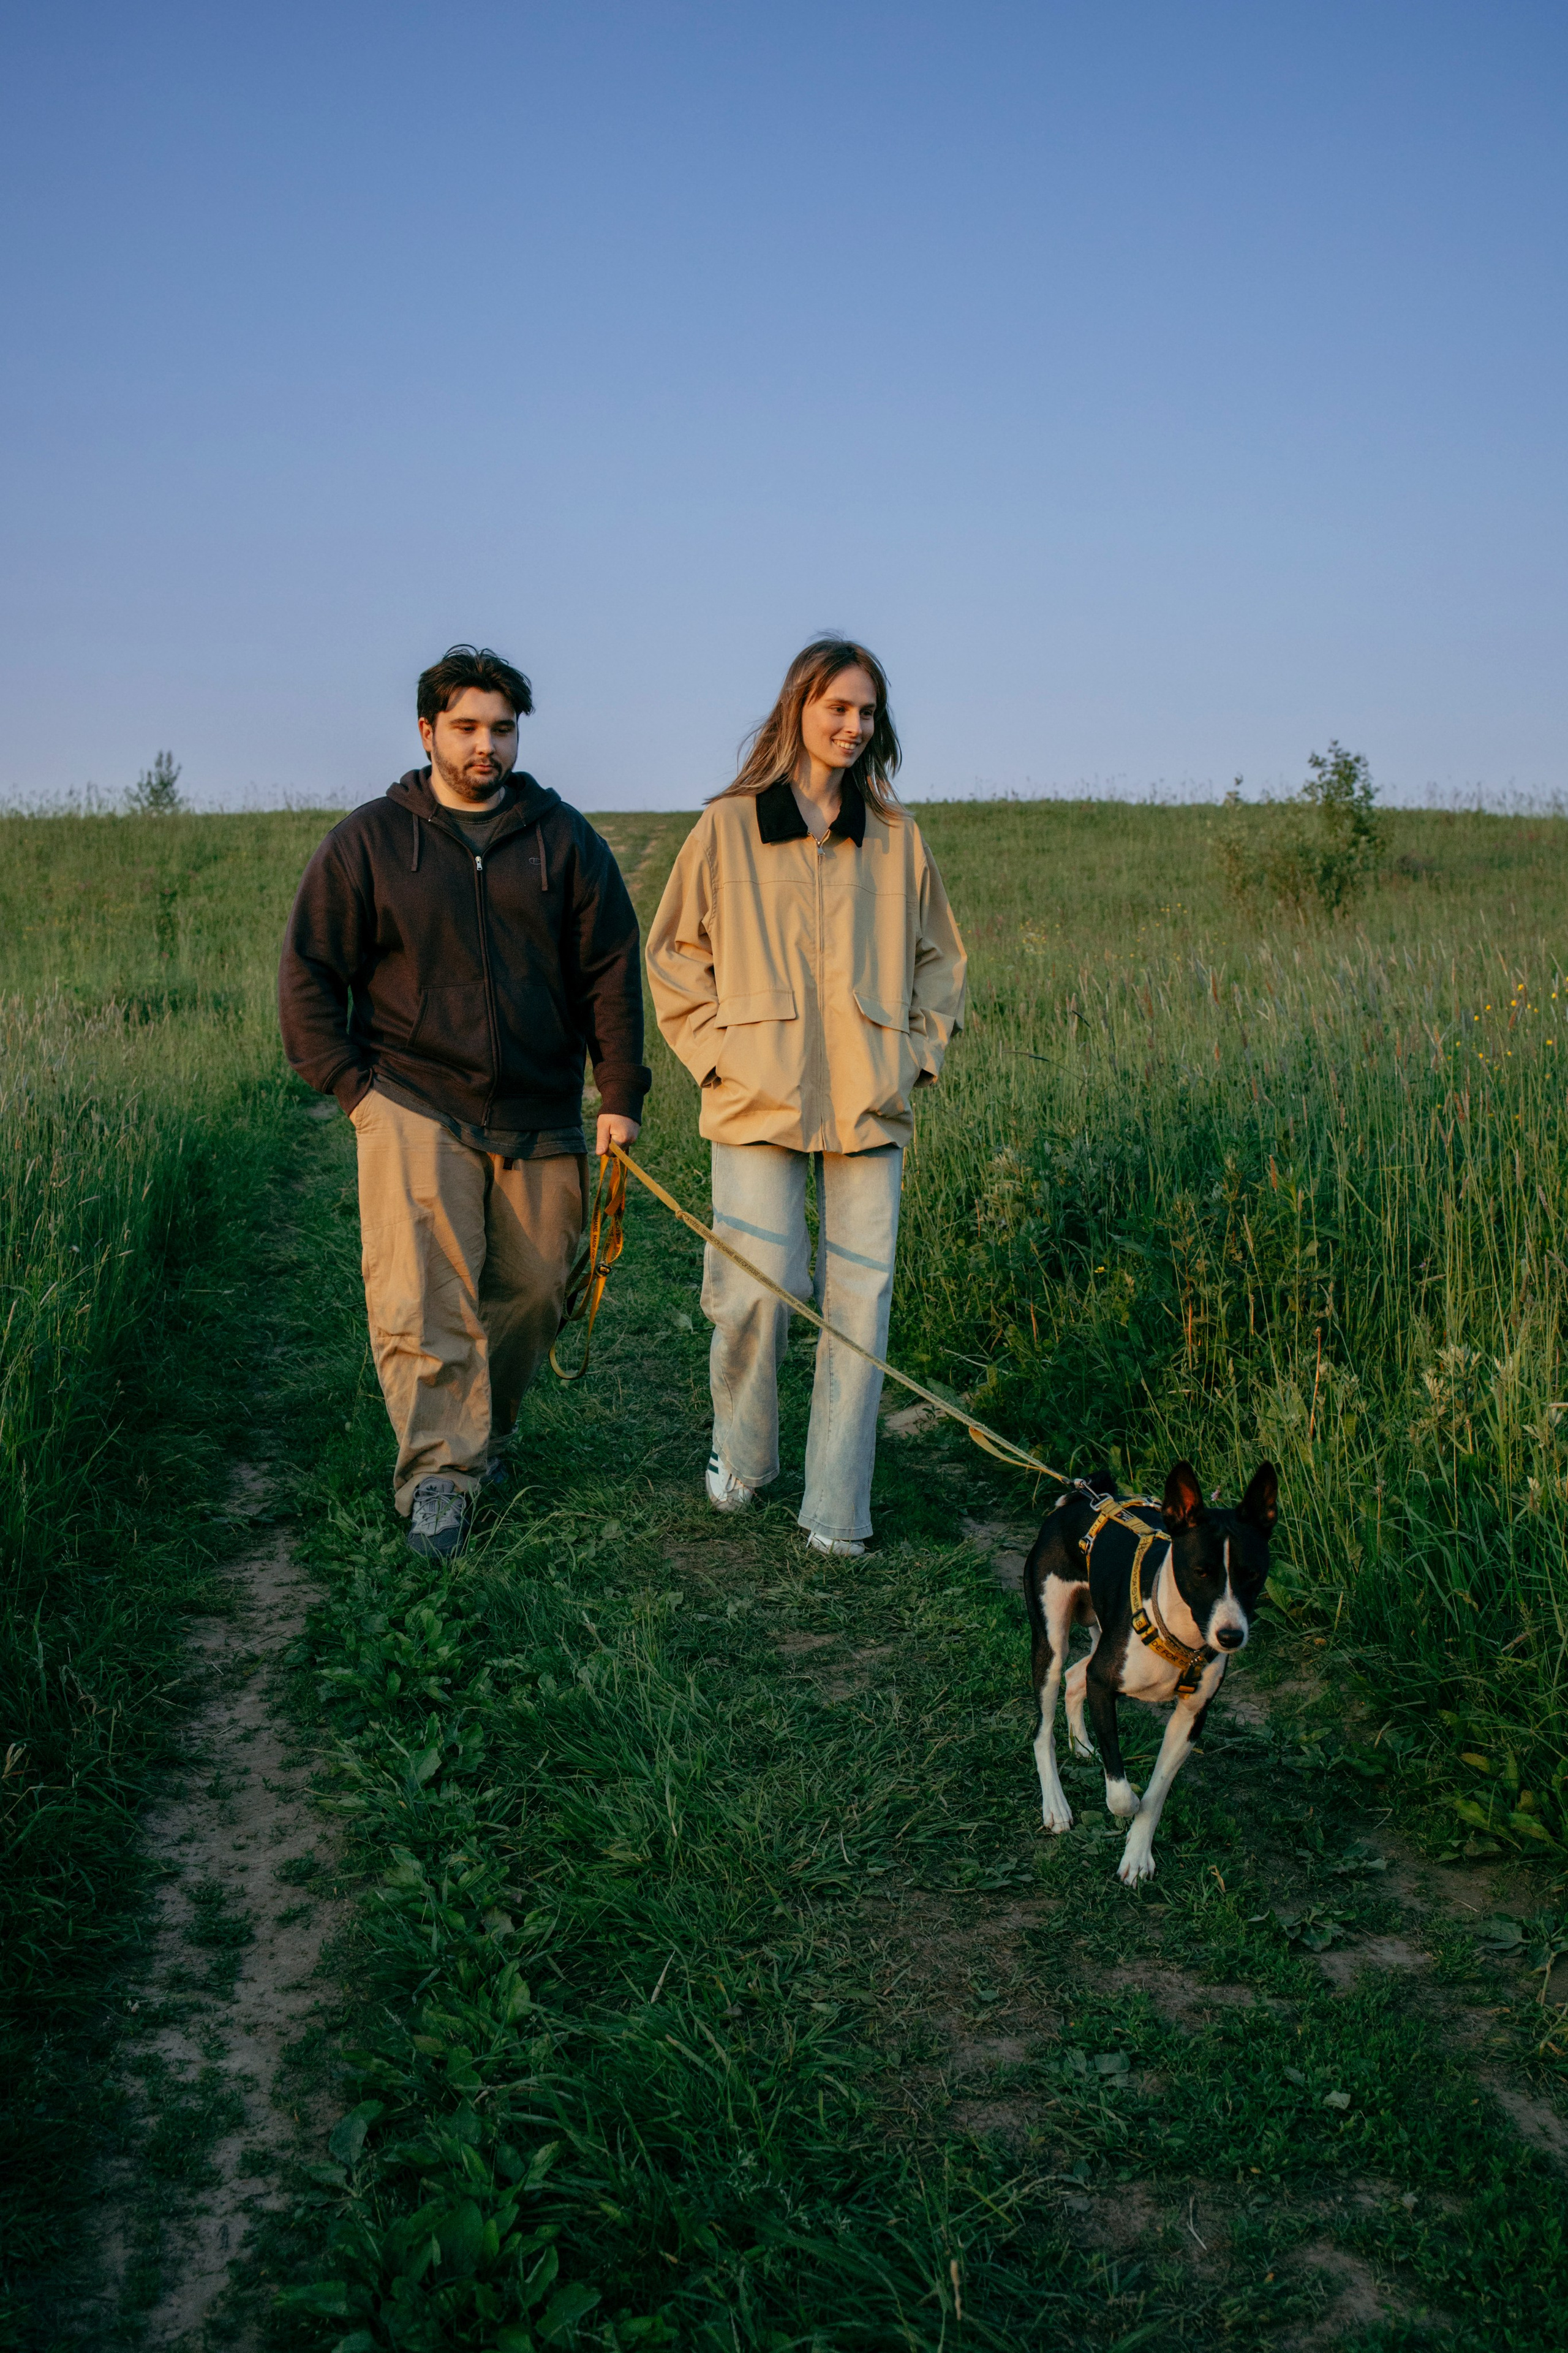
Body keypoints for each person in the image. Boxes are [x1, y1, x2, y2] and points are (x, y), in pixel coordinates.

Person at [278, 646, 649, 1557]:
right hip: (410, 1094)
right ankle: (440, 1474)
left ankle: (488, 1431)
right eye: (468, 727)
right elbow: (309, 972)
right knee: (426, 1293)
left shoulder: (564, 841)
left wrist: (620, 1091)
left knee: (531, 1289)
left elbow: (610, 971)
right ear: (427, 733)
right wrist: (353, 1089)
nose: (487, 745)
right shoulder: (371, 841)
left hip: (539, 1106)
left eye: (503, 728)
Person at [646, 637, 966, 1557]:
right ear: (798, 708)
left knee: (860, 1306)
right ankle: (743, 1454)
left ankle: (836, 1511)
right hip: (755, 1097)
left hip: (869, 1102)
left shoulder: (899, 838)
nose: (854, 726)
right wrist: (718, 1058)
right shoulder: (729, 826)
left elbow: (940, 959)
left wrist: (913, 1056)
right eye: (838, 707)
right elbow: (673, 954)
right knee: (757, 1289)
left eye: (867, 712)